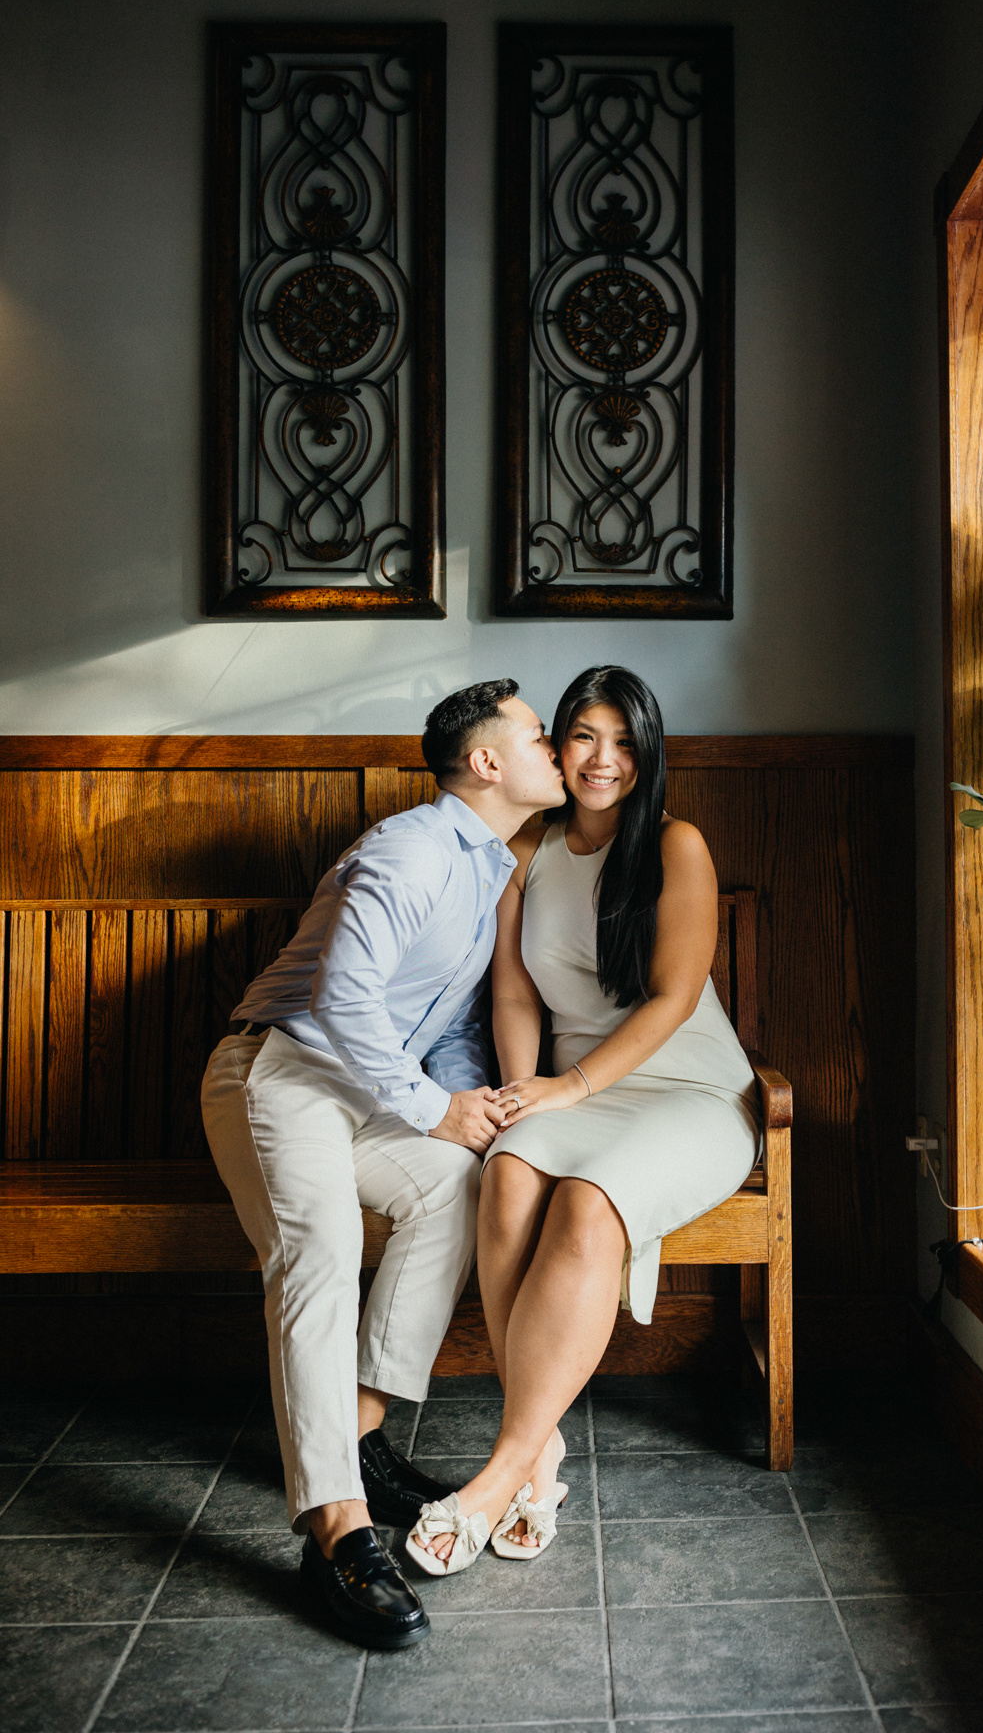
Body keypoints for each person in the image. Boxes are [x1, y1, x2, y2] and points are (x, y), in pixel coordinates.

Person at [201, 680, 565, 1646]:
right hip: (278, 1071)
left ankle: (357, 1438)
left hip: (361, 1091)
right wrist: (434, 1108)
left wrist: (478, 1112)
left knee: (456, 1186)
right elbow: (344, 1000)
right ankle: (335, 1532)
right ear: (486, 762)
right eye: (538, 736)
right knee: (318, 1250)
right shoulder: (412, 849)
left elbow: (443, 1028)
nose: (554, 749)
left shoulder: (487, 868)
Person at [407, 665, 759, 1574]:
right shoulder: (527, 849)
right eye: (584, 737)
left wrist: (570, 1087)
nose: (604, 760)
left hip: (687, 1090)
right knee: (508, 1173)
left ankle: (500, 1475)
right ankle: (543, 1449)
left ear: (649, 755)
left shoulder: (677, 845)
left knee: (587, 1204)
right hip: (568, 1088)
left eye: (626, 743)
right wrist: (523, 1090)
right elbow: (514, 992)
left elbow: (673, 999)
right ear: (557, 746)